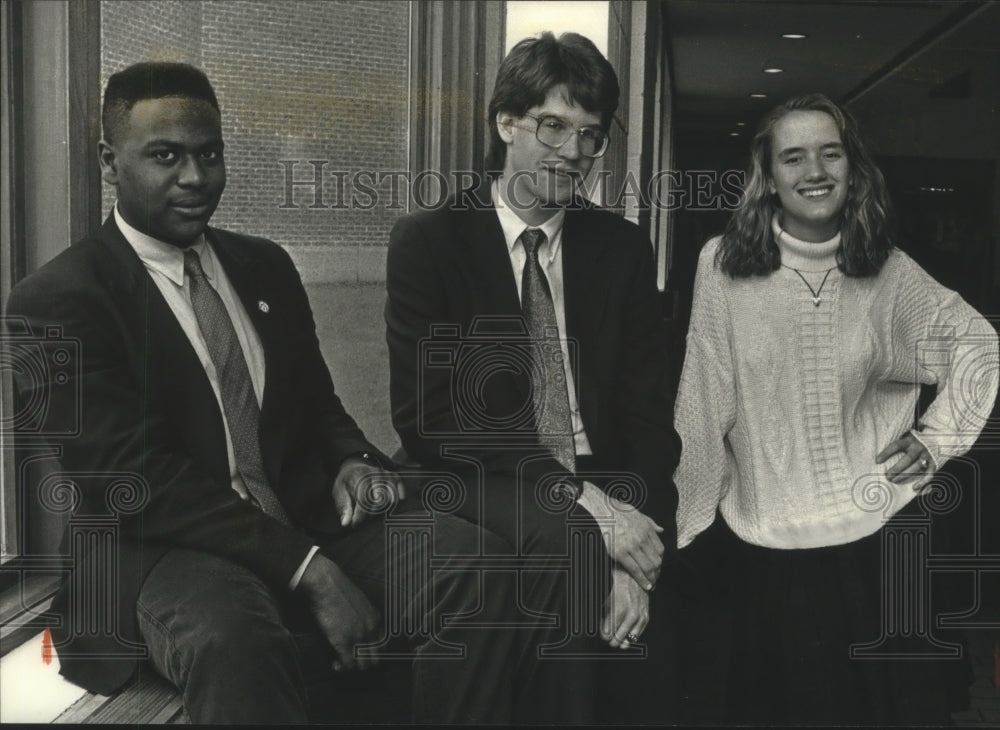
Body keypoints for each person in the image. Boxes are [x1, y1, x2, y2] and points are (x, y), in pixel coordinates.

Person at [5, 61, 555, 725]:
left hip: (300, 512)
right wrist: (309, 569)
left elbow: (318, 406)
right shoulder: (58, 301)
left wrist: (352, 459)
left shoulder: (263, 264)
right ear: (108, 161)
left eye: (209, 154)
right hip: (158, 549)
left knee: (483, 570)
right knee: (237, 641)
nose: (195, 178)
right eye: (165, 156)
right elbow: (133, 480)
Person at [673, 92, 998, 724]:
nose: (814, 172)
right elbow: (702, 399)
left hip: (877, 548)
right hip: (765, 547)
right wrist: (686, 527)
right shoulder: (723, 266)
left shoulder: (888, 272)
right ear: (768, 176)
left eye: (831, 153)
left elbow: (981, 344)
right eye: (793, 158)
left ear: (854, 169)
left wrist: (938, 439)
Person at [385, 32, 681, 724]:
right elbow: (431, 420)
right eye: (553, 125)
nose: (573, 152)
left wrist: (633, 551)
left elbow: (646, 418)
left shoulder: (621, 248)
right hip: (479, 475)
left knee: (656, 632)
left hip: (599, 476)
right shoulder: (432, 241)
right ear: (506, 122)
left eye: (591, 135)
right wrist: (588, 509)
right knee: (571, 554)